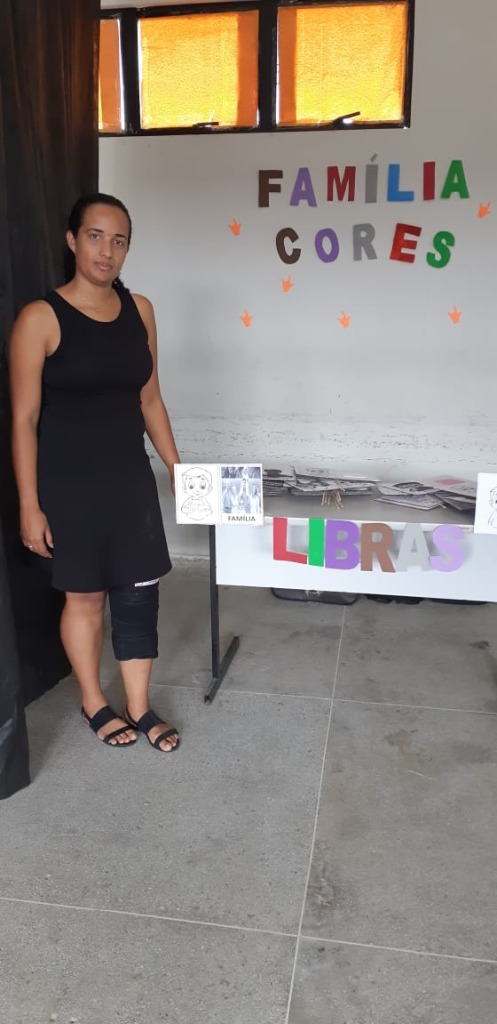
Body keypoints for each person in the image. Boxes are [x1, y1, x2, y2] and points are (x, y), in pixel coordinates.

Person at [9, 193, 180, 752]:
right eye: (95, 236)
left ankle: (139, 706)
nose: (107, 251)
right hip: (70, 486)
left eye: (119, 240)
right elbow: (24, 419)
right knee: (85, 598)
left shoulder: (140, 311)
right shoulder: (41, 318)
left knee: (139, 592)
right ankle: (92, 701)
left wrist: (178, 470)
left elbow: (150, 399)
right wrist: (29, 505)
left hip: (130, 479)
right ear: (72, 240)